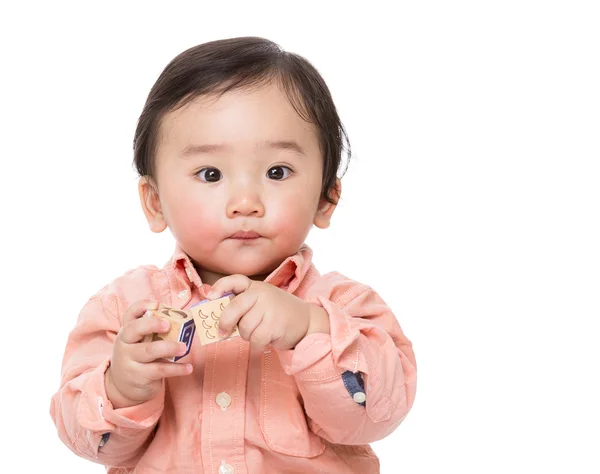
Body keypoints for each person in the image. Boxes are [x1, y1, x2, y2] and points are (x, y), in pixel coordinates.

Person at [50, 36, 417, 474]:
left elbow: (375, 416)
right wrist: (122, 386)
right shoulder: (125, 309)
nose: (245, 201)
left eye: (276, 172)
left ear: (327, 198)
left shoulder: (349, 308)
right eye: (211, 174)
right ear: (154, 201)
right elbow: (91, 443)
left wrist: (310, 329)